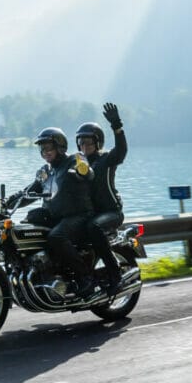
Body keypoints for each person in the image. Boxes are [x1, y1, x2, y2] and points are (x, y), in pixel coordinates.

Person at [10, 126, 99, 299]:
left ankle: (86, 278)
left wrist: (83, 172)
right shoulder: (46, 171)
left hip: (78, 215)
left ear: (60, 146)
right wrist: (7, 202)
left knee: (56, 237)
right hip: (56, 217)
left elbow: (88, 173)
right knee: (26, 228)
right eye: (42, 148)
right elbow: (29, 192)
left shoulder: (74, 160)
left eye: (48, 147)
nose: (45, 152)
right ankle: (43, 273)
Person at [76, 102, 128, 294]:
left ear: (97, 143)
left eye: (88, 142)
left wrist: (117, 126)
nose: (84, 146)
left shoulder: (105, 160)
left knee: (93, 227)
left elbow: (121, 152)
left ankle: (116, 275)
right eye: (81, 142)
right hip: (90, 213)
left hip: (110, 212)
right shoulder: (77, 164)